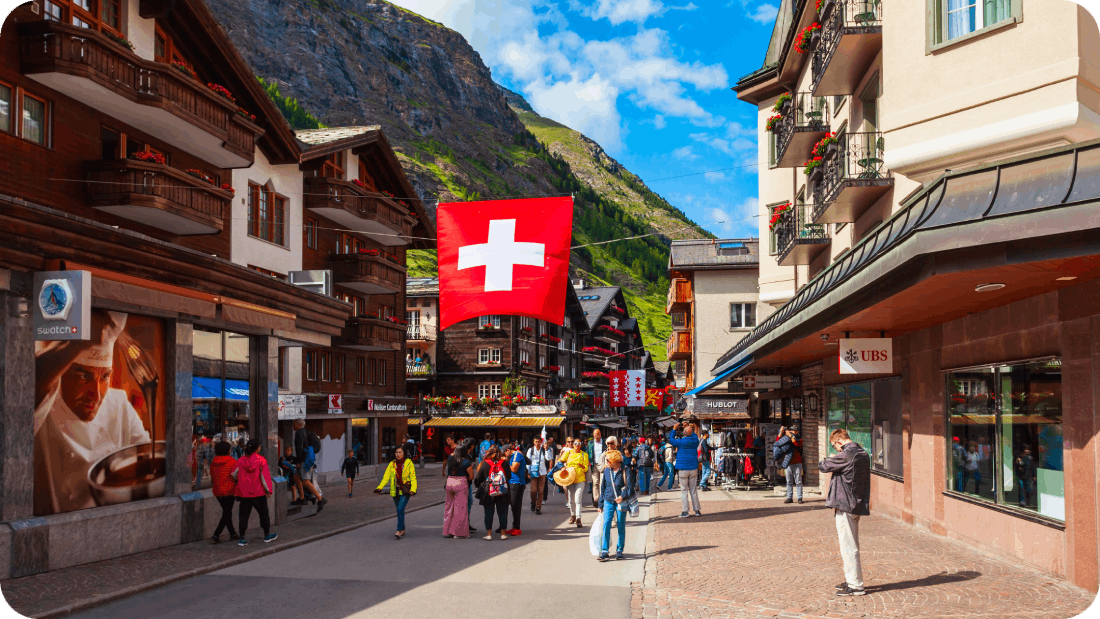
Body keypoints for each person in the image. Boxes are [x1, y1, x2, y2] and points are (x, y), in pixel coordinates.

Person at [32, 310, 151, 515]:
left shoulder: (119, 404)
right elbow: (30, 382)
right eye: (83, 376)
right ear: (61, 373)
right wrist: (75, 343)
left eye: (104, 377)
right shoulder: (44, 402)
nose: (95, 395)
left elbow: (146, 456)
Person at [819, 428, 871, 597]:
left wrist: (832, 458)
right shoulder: (862, 452)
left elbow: (823, 466)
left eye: (835, 447)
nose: (837, 450)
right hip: (856, 502)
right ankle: (851, 580)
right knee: (850, 544)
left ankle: (856, 585)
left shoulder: (848, 454)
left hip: (845, 504)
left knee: (848, 546)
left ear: (839, 441)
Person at [235, 439, 277, 546]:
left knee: (243, 516)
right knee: (263, 514)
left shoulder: (240, 460)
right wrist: (269, 491)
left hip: (244, 493)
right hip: (258, 493)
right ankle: (267, 535)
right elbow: (265, 478)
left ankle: (242, 538)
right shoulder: (261, 460)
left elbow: (233, 474)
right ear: (257, 448)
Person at [597, 449, 634, 561]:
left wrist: (622, 496)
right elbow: (603, 488)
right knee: (606, 524)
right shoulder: (607, 471)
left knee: (620, 525)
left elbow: (630, 488)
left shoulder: (626, 470)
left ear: (615, 461)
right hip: (608, 500)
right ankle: (604, 551)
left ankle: (619, 550)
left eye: (608, 460)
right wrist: (600, 504)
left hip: (621, 501)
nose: (607, 462)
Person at [374, 445, 417, 539]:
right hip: (395, 490)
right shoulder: (392, 464)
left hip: (405, 490)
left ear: (404, 453)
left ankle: (398, 530)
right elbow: (386, 477)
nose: (398, 454)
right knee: (399, 510)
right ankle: (403, 529)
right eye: (396, 452)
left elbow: (413, 477)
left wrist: (413, 489)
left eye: (400, 452)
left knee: (400, 509)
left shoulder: (408, 463)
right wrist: (380, 487)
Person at [473, 446, 511, 540]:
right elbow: (509, 476)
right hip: (502, 490)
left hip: (489, 491)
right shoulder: (505, 463)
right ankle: (503, 534)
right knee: (503, 512)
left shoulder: (485, 463)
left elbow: (477, 479)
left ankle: (489, 534)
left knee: (488, 512)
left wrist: (482, 485)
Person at [293, 419, 327, 511]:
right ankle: (302, 498)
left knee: (306, 481)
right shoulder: (306, 433)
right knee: (296, 477)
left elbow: (299, 448)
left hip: (304, 460)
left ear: (298, 424)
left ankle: (320, 499)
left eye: (294, 424)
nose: (293, 426)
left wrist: (298, 462)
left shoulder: (299, 434)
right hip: (306, 458)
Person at [443, 439, 474, 538]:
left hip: (449, 482)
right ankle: (458, 533)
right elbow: (471, 476)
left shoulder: (450, 458)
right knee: (460, 509)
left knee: (449, 507)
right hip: (461, 483)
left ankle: (447, 531)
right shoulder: (466, 461)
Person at [669, 422, 701, 517]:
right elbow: (694, 436)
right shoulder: (695, 441)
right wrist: (688, 426)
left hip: (683, 468)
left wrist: (674, 429)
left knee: (684, 491)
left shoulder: (680, 442)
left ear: (684, 434)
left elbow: (671, 440)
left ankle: (685, 511)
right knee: (693, 490)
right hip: (693, 468)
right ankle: (697, 510)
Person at [209, 440, 238, 544]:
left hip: (217, 491)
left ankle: (232, 533)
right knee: (227, 513)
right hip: (229, 490)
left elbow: (212, 477)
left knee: (227, 512)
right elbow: (236, 476)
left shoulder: (213, 463)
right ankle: (216, 534)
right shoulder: (232, 462)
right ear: (227, 451)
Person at [558, 437, 590, 528]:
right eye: (575, 443)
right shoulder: (568, 453)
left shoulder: (584, 455)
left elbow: (586, 468)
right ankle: (573, 515)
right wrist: (563, 468)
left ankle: (579, 518)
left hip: (580, 479)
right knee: (571, 500)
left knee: (578, 499)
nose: (577, 445)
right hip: (570, 478)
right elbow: (560, 461)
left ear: (581, 445)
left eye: (579, 444)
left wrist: (582, 466)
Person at [774, 425, 804, 504]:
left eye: (794, 430)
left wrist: (790, 436)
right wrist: (781, 432)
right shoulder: (786, 439)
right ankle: (789, 497)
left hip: (797, 463)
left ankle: (799, 497)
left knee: (798, 481)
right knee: (789, 481)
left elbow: (797, 444)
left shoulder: (799, 439)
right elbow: (777, 442)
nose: (793, 432)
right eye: (791, 430)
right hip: (788, 463)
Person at [506, 442, 529, 536]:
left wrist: (505, 463)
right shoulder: (513, 456)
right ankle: (514, 526)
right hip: (513, 483)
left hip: (517, 483)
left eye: (505, 453)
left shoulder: (517, 455)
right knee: (514, 506)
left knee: (516, 506)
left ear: (508, 450)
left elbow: (514, 469)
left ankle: (517, 528)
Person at [526, 436, 552, 514]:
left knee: (541, 491)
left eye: (538, 441)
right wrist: (528, 472)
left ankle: (538, 507)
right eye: (536, 441)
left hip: (542, 472)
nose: (537, 443)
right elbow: (528, 461)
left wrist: (547, 449)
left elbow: (549, 458)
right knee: (533, 490)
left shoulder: (544, 450)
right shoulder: (531, 450)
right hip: (533, 472)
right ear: (534, 442)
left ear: (541, 442)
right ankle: (533, 502)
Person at [587, 429, 605, 508]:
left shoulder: (604, 442)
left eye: (597, 434)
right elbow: (587, 453)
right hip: (594, 464)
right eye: (594, 435)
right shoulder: (590, 443)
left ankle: (602, 500)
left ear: (600, 434)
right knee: (595, 482)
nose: (596, 436)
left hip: (603, 464)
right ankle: (596, 500)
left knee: (602, 482)